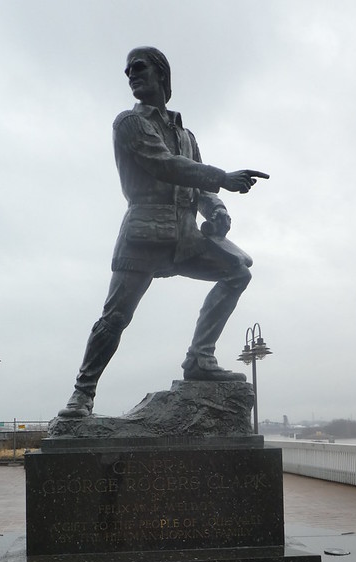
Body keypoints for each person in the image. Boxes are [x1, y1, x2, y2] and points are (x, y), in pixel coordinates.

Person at [58, 47, 268, 418]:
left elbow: (195, 180)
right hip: (143, 236)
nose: (131, 76)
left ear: (161, 74)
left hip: (185, 238)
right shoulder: (128, 123)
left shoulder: (186, 134)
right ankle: (82, 394)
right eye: (127, 72)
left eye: (138, 68)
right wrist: (224, 180)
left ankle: (199, 359)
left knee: (238, 271)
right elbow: (165, 165)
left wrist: (217, 209)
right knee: (115, 318)